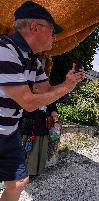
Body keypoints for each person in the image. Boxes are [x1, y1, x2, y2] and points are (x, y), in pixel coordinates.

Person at [0, 1, 84, 201]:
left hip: (8, 131)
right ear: (35, 27)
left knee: (19, 182)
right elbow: (29, 102)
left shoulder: (33, 60)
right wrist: (66, 87)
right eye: (52, 31)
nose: (55, 37)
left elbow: (47, 92)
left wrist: (67, 82)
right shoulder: (5, 51)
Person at [20, 98, 59, 177]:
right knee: (23, 149)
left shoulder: (48, 93)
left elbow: (52, 108)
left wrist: (55, 121)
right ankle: (21, 172)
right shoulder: (25, 91)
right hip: (26, 125)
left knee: (38, 149)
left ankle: (33, 173)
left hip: (41, 126)